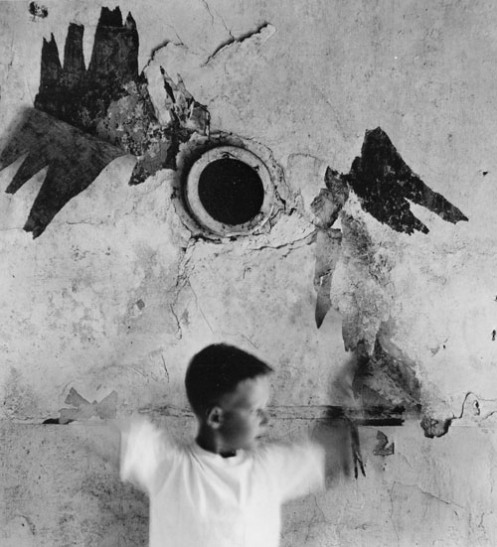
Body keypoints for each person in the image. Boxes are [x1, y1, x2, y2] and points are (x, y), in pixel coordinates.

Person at [120, 343, 325, 547]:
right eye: (255, 410)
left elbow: (332, 451)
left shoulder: (269, 469)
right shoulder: (167, 466)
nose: (266, 419)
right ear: (216, 417)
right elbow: (112, 429)